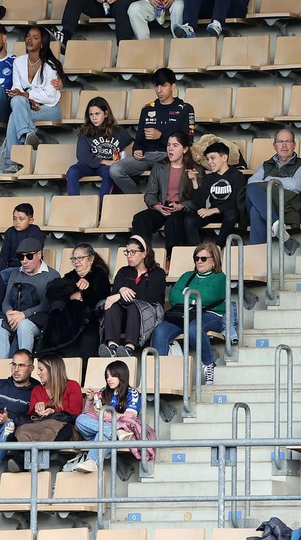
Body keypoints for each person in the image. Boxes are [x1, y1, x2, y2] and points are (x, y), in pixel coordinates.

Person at [151, 241, 228, 385]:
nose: (199, 261)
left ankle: (209, 364)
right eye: (196, 258)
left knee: (194, 328)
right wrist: (195, 298)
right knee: (160, 330)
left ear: (214, 261)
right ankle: (160, 376)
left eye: (203, 258)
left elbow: (209, 296)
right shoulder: (188, 276)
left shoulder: (220, 278)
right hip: (184, 314)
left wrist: (187, 294)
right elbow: (173, 295)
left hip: (211, 315)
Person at [108, 69, 195, 195]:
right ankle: (138, 197)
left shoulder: (185, 109)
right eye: (156, 86)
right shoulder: (147, 109)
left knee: (160, 171)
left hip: (169, 156)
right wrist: (137, 150)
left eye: (163, 85)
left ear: (173, 87)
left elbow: (187, 141)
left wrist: (161, 136)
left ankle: (159, 201)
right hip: (147, 156)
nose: (159, 90)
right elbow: (139, 138)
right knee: (115, 169)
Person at [0, 26, 64, 171]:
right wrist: (28, 99)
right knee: (16, 101)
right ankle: (27, 134)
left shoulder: (50, 66)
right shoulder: (18, 62)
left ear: (42, 43)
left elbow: (50, 96)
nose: (30, 40)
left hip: (50, 109)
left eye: (35, 37)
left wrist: (28, 96)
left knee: (15, 115)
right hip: (27, 106)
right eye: (28, 36)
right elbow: (17, 88)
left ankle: (13, 163)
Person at [131, 131, 204, 257]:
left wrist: (181, 206)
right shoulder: (159, 167)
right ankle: (141, 255)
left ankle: (171, 257)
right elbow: (150, 194)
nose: (170, 148)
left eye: (175, 145)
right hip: (163, 206)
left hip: (182, 208)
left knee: (174, 220)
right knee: (140, 218)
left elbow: (199, 199)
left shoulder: (196, 170)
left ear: (185, 149)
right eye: (169, 144)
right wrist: (157, 206)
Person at [68, 359, 144, 474]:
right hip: (107, 432)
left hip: (116, 437)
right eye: (107, 376)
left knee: (104, 433)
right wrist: (90, 400)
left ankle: (91, 461)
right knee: (80, 419)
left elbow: (130, 417)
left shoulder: (132, 393)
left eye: (113, 376)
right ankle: (116, 430)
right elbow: (91, 414)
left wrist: (108, 415)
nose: (109, 379)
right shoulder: (103, 391)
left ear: (122, 375)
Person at [98, 236, 166, 357]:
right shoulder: (123, 271)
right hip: (124, 317)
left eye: (133, 252)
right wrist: (121, 290)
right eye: (127, 252)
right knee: (111, 305)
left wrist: (121, 295)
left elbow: (149, 297)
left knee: (134, 306)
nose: (129, 256)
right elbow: (113, 294)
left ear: (144, 254)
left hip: (148, 316)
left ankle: (129, 348)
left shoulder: (158, 273)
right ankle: (112, 347)